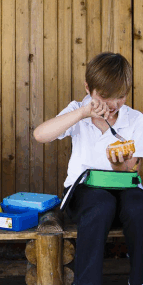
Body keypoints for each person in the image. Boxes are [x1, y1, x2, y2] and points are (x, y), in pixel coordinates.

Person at [33, 52, 143, 285]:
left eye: (121, 96)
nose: (113, 105)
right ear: (88, 88)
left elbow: (133, 170)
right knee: (101, 203)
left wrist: (117, 164)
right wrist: (83, 112)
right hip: (84, 192)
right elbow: (40, 135)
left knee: (139, 206)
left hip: (123, 190)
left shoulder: (135, 119)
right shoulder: (77, 111)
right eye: (105, 96)